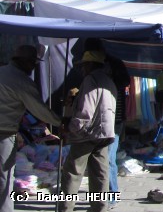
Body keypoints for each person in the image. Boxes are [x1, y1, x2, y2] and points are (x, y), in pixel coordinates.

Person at [0, 45, 61, 212]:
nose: (33, 68)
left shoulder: (2, 71)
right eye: (33, 64)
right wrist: (60, 122)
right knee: (4, 178)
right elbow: (39, 109)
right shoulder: (21, 81)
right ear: (26, 62)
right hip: (3, 133)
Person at [60, 50, 117, 212]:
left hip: (87, 134)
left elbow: (86, 111)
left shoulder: (90, 80)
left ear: (90, 65)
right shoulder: (108, 81)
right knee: (100, 174)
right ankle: (100, 208)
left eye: (84, 65)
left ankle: (65, 208)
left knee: (73, 173)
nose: (82, 69)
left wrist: (71, 129)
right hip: (104, 133)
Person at [84, 38, 129, 207]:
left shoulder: (107, 66)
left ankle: (110, 196)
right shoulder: (109, 64)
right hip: (108, 118)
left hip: (112, 118)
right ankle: (104, 195)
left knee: (107, 158)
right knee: (103, 159)